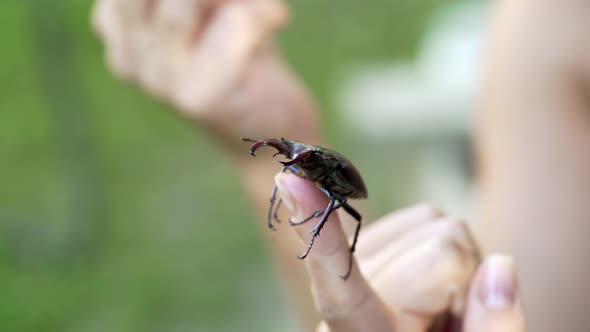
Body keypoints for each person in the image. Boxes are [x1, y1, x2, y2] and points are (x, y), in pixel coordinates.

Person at [91, 0, 527, 331]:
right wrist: (270, 152)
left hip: (347, 186)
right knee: (317, 208)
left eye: (292, 156)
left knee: (329, 209)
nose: (290, 160)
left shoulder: (322, 166)